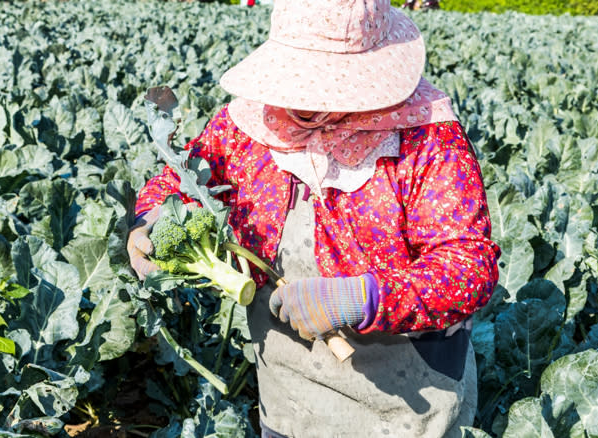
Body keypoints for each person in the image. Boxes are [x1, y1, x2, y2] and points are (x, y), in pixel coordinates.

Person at [127, 0, 500, 436]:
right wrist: (148, 223)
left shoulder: (428, 138)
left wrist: (362, 298)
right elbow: (180, 180)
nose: (301, 100)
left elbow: (468, 265)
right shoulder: (246, 125)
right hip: (289, 395)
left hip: (408, 402)